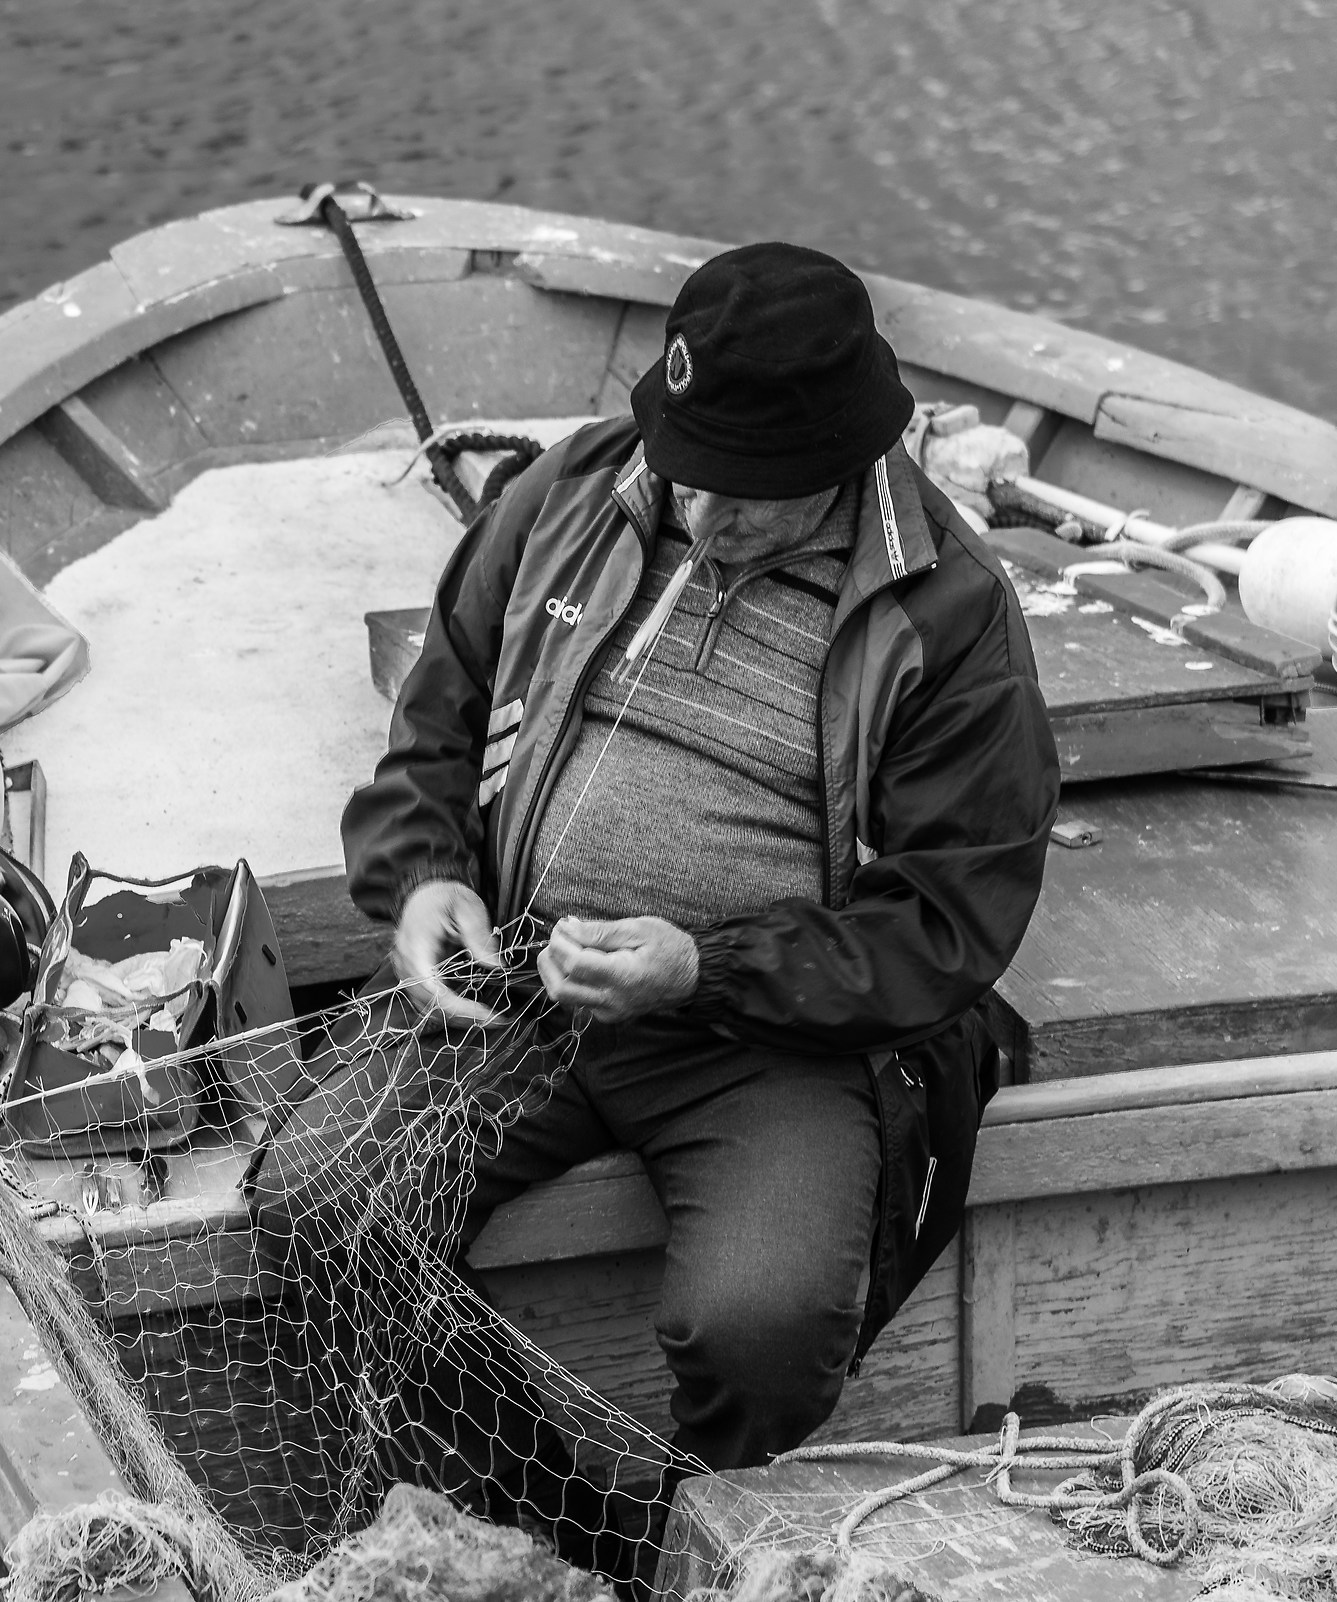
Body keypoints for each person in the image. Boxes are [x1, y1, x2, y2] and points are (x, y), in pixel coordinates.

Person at [247, 242, 1061, 1510]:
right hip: (519, 989)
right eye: (691, 469)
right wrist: (422, 878)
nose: (706, 515)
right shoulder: (572, 491)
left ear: (842, 458)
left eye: (749, 491)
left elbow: (947, 922)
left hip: (770, 1039)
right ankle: (554, 1534)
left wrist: (702, 966)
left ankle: (701, 1539)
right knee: (320, 1200)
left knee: (762, 1324)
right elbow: (436, 721)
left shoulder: (951, 612)